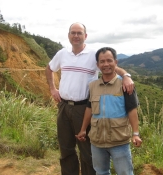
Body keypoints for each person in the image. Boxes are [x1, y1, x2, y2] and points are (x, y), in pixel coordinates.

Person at [45, 23, 135, 175]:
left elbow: (110, 65)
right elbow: (49, 68)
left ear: (85, 36)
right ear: (68, 35)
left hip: (84, 108)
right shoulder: (62, 54)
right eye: (73, 33)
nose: (76, 36)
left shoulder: (93, 54)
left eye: (79, 33)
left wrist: (125, 76)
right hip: (64, 106)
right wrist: (53, 89)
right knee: (65, 147)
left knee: (86, 149)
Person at [76, 47, 142, 175]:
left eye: (109, 60)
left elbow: (132, 111)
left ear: (116, 62)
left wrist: (135, 133)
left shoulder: (125, 85)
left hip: (119, 140)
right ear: (98, 65)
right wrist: (83, 129)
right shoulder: (93, 86)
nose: (106, 64)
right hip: (97, 141)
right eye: (102, 61)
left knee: (125, 173)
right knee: (101, 172)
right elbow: (89, 109)